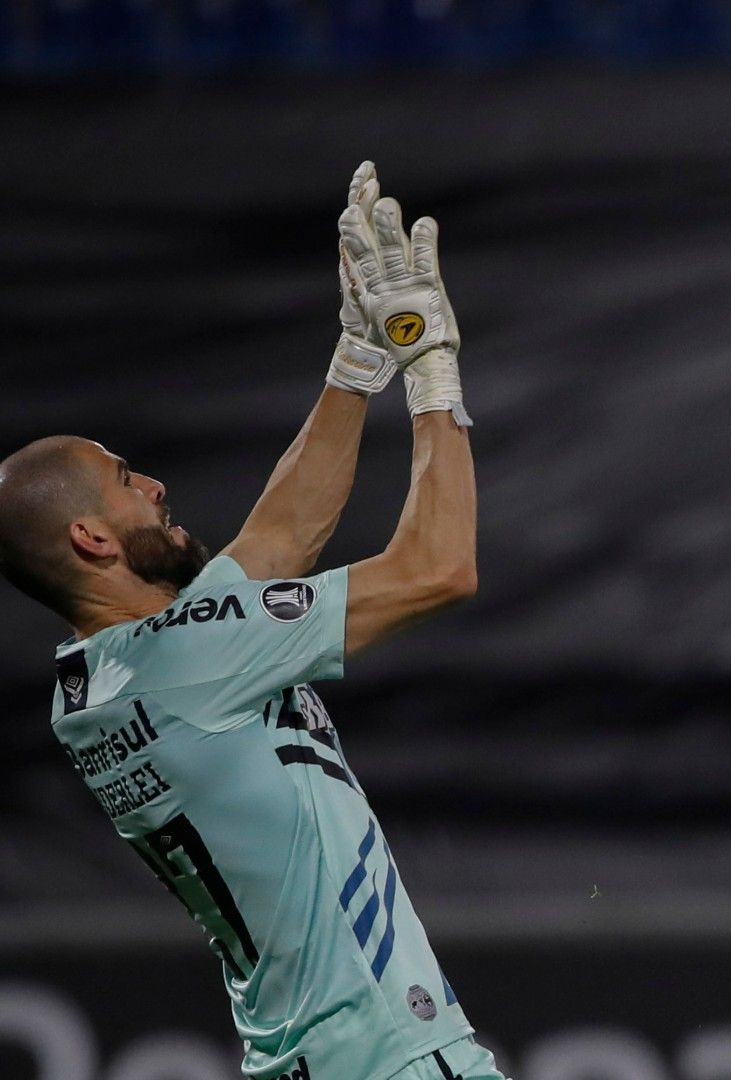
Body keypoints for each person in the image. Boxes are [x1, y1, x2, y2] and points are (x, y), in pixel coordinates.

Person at [0, 162, 507, 1080]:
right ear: (89, 536)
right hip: (390, 1062)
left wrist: (358, 358)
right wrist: (430, 368)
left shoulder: (100, 683)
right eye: (125, 480)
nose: (154, 485)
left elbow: (278, 536)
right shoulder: (195, 659)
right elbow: (440, 568)